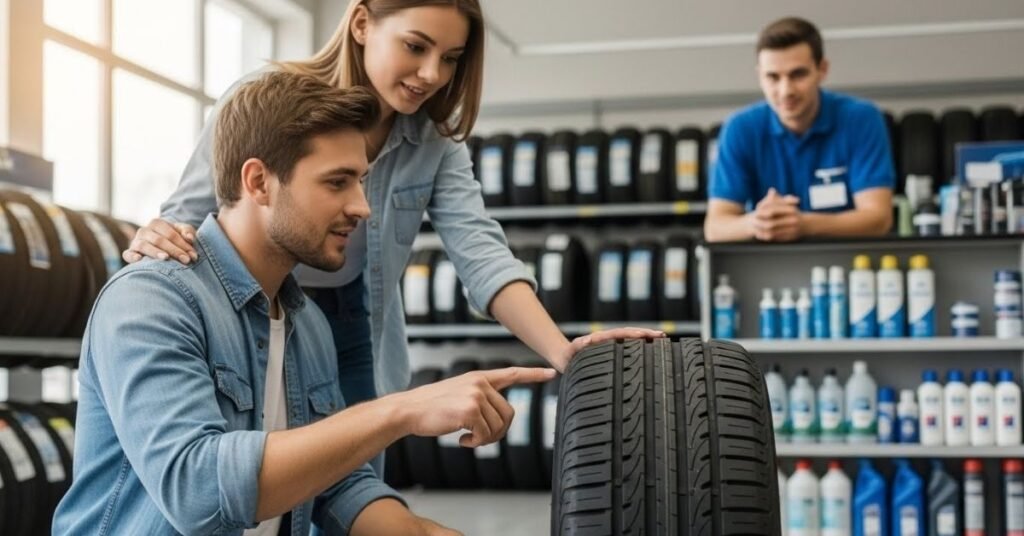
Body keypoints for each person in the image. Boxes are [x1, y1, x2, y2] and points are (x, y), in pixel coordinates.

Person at [123, 1, 662, 473]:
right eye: (416, 46)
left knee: (352, 478)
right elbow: (188, 219)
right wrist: (155, 242)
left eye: (450, 58)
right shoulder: (266, 102)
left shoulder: (435, 144)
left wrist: (562, 351)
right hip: (254, 311)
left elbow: (481, 253)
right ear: (361, 23)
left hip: (354, 319)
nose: (431, 73)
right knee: (260, 466)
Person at [53, 70, 555, 536]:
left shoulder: (306, 323)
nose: (362, 206)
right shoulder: (153, 300)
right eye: (337, 182)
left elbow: (338, 486)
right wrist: (401, 410)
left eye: (360, 181)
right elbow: (196, 488)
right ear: (258, 182)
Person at [704, 16, 895, 243]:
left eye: (798, 75)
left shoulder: (861, 119)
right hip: (769, 266)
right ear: (759, 76)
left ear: (822, 70)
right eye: (773, 77)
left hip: (849, 265)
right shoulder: (740, 128)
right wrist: (756, 222)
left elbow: (878, 219)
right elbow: (715, 228)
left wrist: (804, 224)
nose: (786, 91)